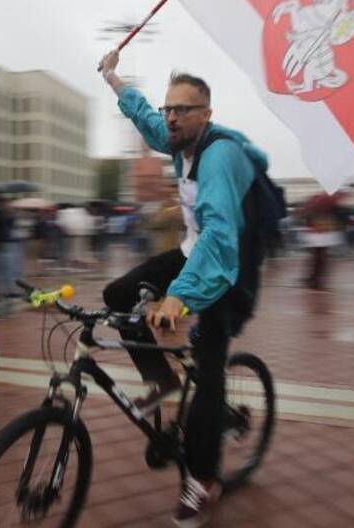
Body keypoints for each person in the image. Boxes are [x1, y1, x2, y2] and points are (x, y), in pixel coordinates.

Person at [98, 49, 269, 527]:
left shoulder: (220, 155)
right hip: (194, 254)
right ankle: (163, 378)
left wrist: (179, 297)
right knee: (118, 297)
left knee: (210, 373)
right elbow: (151, 123)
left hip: (227, 268)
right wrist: (114, 80)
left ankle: (204, 479)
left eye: (182, 110)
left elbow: (218, 236)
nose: (170, 117)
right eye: (169, 108)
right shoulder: (179, 140)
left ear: (206, 114)